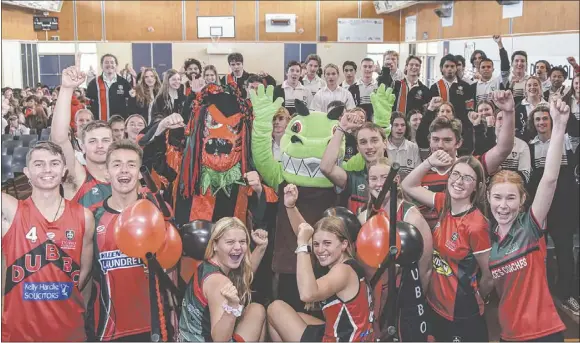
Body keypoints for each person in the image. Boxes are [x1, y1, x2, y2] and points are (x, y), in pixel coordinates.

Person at [488, 99, 571, 341]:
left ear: (522, 200)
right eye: (498, 197)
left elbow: (549, 180)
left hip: (544, 332)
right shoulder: (487, 236)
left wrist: (559, 127)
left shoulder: (530, 226)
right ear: (488, 197)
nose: (503, 205)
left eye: (511, 198)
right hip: (509, 333)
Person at [1, 141, 95, 341]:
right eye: (38, 164)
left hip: (69, 333)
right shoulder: (12, 212)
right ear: (26, 172)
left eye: (54, 163)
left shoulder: (84, 217)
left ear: (64, 170)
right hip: (19, 335)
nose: (47, 169)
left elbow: (83, 276)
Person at [402, 152, 493, 342]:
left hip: (462, 313)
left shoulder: (476, 225)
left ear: (477, 187)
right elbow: (408, 185)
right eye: (456, 174)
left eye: (468, 178)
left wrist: (478, 297)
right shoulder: (443, 203)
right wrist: (428, 162)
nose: (459, 181)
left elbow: (489, 275)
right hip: (434, 305)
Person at [267, 184, 374, 342]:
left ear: (344, 244)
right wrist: (290, 206)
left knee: (275, 309)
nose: (320, 250)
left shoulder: (342, 272)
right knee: (298, 316)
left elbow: (307, 294)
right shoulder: (349, 261)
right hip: (353, 335)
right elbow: (306, 233)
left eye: (327, 244)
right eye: (316, 245)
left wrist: (302, 245)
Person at [357, 158, 433, 341]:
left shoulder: (411, 216)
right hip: (374, 295)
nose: (379, 183)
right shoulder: (363, 216)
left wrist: (414, 302)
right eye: (373, 178)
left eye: (384, 177)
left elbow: (426, 267)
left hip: (404, 297)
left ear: (396, 180)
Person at [417, 91, 516, 229]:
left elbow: (503, 149)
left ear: (458, 143)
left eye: (447, 140)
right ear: (429, 141)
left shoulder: (471, 166)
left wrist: (508, 112)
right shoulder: (419, 174)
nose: (440, 145)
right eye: (435, 139)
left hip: (466, 245)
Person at [88, 140, 155, 341]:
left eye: (131, 165)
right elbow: (83, 277)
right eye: (117, 164)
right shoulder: (93, 217)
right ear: (107, 172)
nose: (124, 170)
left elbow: (171, 270)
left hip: (154, 325)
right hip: (109, 328)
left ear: (140, 173)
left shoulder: (157, 211)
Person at [178, 217, 269, 342]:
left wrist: (260, 248)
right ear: (215, 245)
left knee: (255, 309)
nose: (238, 247)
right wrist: (231, 308)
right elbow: (220, 340)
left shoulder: (207, 265)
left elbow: (244, 277)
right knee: (257, 311)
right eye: (230, 242)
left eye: (242, 241)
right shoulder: (219, 282)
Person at [51, 57, 113, 209]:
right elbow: (59, 139)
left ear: (113, 144)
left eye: (105, 140)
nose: (100, 145)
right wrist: (66, 89)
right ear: (82, 146)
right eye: (92, 141)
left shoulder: (124, 177)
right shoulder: (76, 176)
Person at [86, 54, 132, 120]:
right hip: (100, 123)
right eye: (106, 62)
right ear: (102, 65)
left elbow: (130, 104)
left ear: (116, 65)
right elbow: (88, 105)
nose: (109, 65)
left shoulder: (124, 83)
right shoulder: (94, 83)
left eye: (112, 62)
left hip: (119, 125)